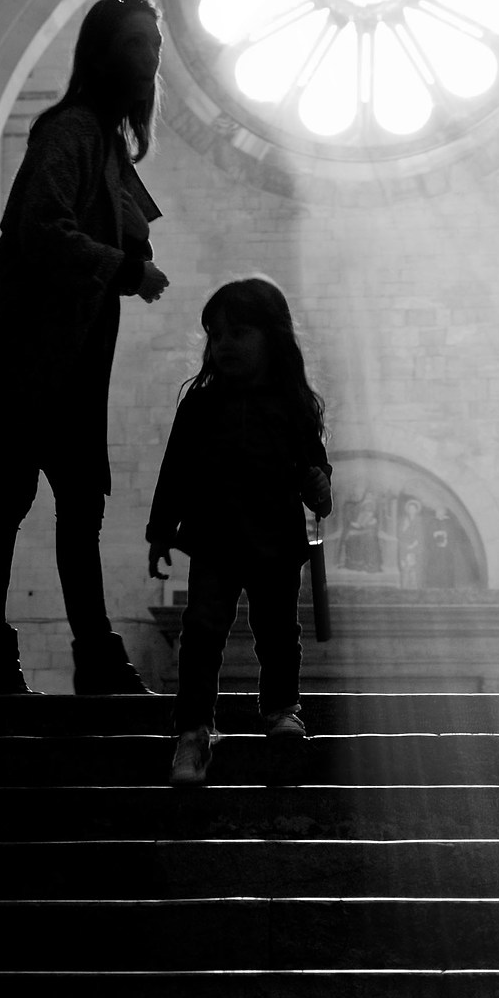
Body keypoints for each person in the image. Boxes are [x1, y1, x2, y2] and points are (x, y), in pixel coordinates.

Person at [0, 0, 169, 694]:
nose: (149, 59)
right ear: (103, 51)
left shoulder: (107, 146)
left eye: (155, 45)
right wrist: (124, 267)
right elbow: (37, 226)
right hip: (37, 353)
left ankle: (82, 653)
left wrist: (122, 258)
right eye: (136, 42)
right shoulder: (72, 130)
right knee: (15, 490)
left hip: (75, 357)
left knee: (72, 503)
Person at [146, 276, 333, 787]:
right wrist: (160, 529)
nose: (223, 345)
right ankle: (194, 729)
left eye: (238, 333)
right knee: (203, 629)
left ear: (271, 337)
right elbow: (176, 469)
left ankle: (279, 709)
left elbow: (314, 468)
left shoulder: (293, 405)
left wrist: (320, 485)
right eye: (215, 335)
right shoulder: (201, 403)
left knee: (277, 630)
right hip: (216, 536)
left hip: (275, 535)